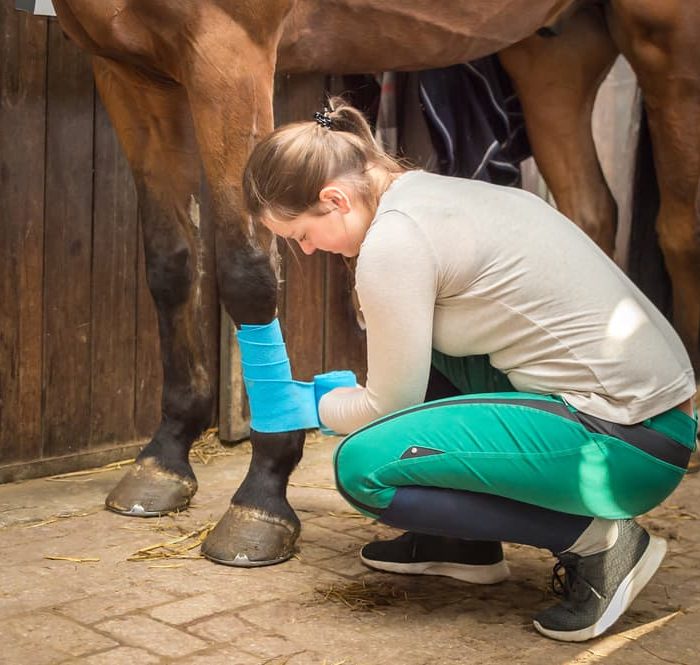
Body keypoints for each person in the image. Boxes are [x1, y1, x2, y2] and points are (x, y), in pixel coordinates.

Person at [241, 98, 697, 642]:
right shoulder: (431, 194)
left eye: (301, 236)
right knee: (420, 349)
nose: (309, 250)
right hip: (653, 418)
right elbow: (407, 374)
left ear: (334, 199)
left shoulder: (393, 241)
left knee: (361, 466)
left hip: (627, 445)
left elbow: (388, 408)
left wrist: (307, 404)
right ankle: (458, 542)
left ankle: (599, 541)